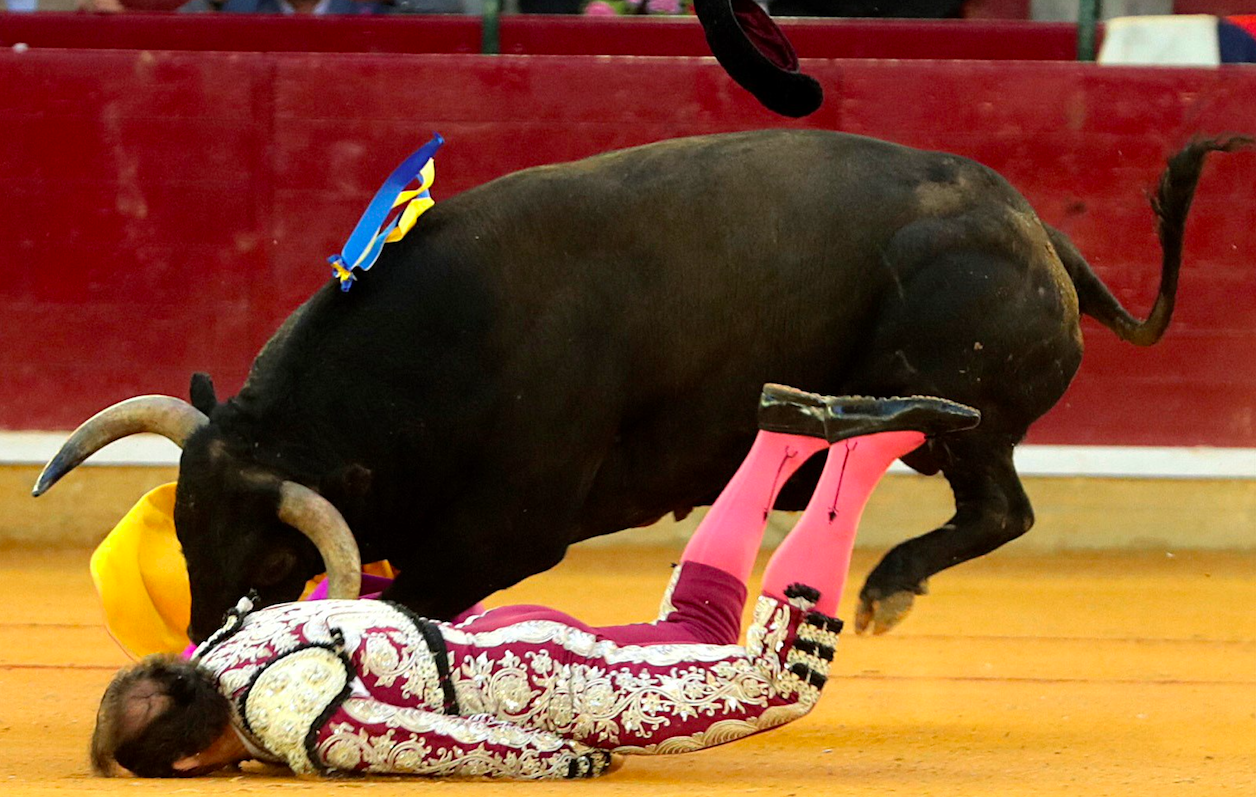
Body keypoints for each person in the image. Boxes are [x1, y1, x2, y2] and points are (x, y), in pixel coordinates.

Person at [90, 383, 979, 779]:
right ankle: (780, 440)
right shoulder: (230, 644)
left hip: (545, 690)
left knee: (776, 681)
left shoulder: (290, 719)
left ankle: (853, 461)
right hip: (505, 643)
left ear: (185, 759)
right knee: (699, 630)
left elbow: (424, 744)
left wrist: (560, 759)